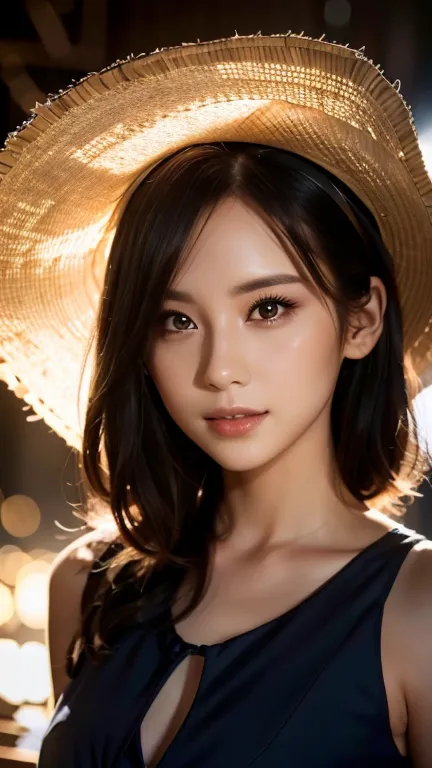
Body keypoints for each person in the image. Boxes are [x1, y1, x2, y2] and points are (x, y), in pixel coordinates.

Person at [0, 33, 431, 768]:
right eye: (177, 320)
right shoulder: (85, 584)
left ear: (361, 319)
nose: (218, 369)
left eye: (267, 308)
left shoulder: (417, 609)